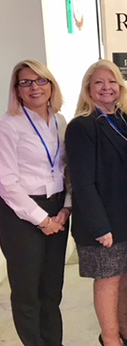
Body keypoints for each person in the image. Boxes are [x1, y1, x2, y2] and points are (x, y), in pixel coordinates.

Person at [65, 60, 127, 346]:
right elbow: (82, 183)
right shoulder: (82, 126)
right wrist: (100, 227)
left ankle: (124, 329)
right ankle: (110, 339)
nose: (106, 88)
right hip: (103, 219)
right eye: (99, 82)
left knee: (125, 273)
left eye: (112, 81)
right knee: (108, 280)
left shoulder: (124, 119)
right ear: (88, 88)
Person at [0, 60, 71, 346]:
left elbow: (67, 170)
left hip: (58, 210)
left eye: (40, 80)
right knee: (27, 292)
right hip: (21, 215)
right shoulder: (8, 124)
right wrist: (41, 219)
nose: (34, 87)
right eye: (26, 82)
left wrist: (66, 207)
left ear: (50, 84)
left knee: (52, 290)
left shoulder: (60, 120)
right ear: (16, 90)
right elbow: (6, 182)